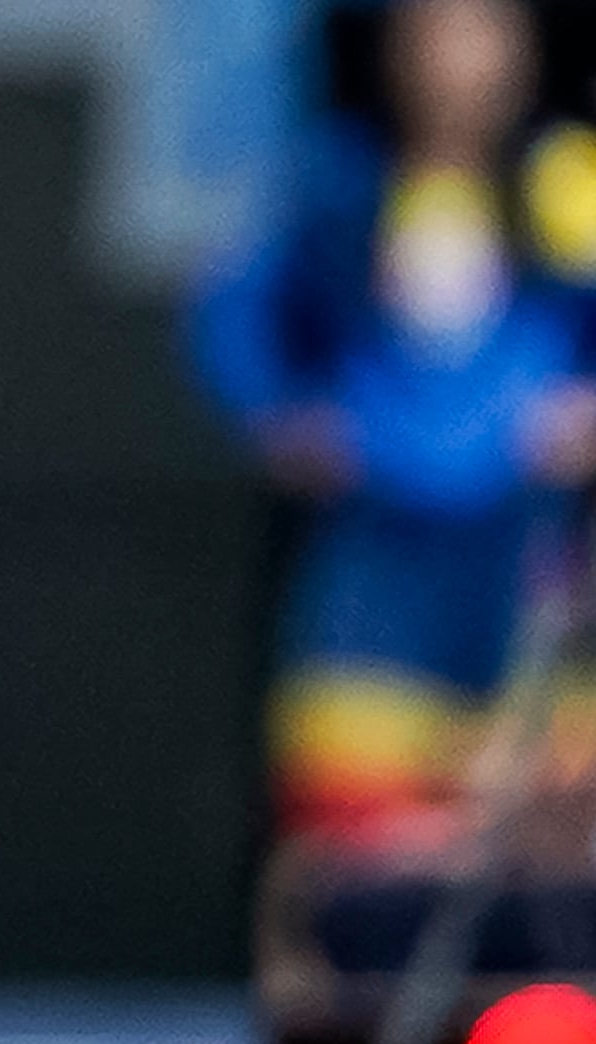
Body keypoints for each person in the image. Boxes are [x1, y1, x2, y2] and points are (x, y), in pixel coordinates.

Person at [191, 0, 596, 848]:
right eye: (432, 34)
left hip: (526, 552)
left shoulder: (571, 185)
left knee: (551, 830)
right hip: (377, 560)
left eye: (481, 32)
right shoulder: (340, 184)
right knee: (348, 838)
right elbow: (234, 306)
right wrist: (278, 415)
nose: (456, 62)